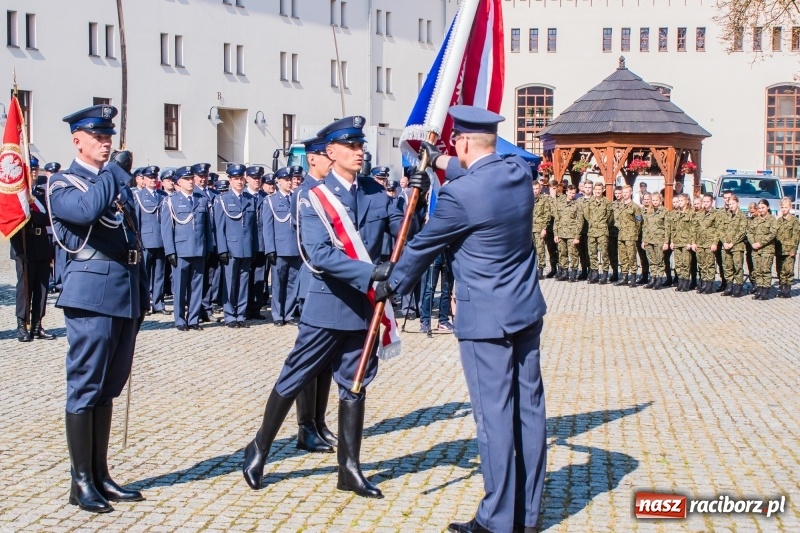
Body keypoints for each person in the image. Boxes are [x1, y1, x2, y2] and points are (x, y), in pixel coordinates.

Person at [375, 106, 547, 533]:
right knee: (529, 412)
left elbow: (421, 248)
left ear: (465, 143)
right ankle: (527, 513)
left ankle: (496, 521)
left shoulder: (461, 195)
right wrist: (435, 161)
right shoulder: (518, 176)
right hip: (525, 310)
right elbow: (477, 164)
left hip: (486, 320)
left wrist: (389, 287)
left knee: (493, 418)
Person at [242, 116, 423, 499]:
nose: (361, 152)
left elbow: (405, 233)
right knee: (294, 377)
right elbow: (320, 254)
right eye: (352, 147)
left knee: (355, 384)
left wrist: (414, 200)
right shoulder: (314, 197)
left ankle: (349, 468)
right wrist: (373, 272)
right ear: (331, 152)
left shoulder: (375, 192)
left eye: (361, 146)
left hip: (365, 307)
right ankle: (260, 446)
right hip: (329, 306)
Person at [48, 104, 147, 512]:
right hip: (91, 296)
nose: (106, 143)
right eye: (98, 137)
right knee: (86, 387)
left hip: (125, 293)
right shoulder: (62, 183)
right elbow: (87, 213)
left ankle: (101, 473)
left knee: (109, 387)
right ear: (78, 141)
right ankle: (81, 481)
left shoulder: (111, 183)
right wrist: (114, 173)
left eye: (109, 137)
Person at [161, 166, 213, 331]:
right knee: (180, 287)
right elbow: (167, 229)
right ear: (179, 182)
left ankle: (193, 318)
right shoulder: (171, 201)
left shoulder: (202, 200)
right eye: (187, 179)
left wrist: (209, 247)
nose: (191, 182)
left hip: (199, 249)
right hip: (181, 250)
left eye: (192, 179)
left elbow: (207, 228)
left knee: (197, 287)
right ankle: (180, 319)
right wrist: (170, 251)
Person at [11, 156, 56, 342]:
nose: (35, 173)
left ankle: (37, 324)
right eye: (31, 170)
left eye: (36, 170)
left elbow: (48, 219)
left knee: (42, 287)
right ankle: (22, 325)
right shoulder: (17, 196)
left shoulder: (40, 194)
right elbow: (14, 220)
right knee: (25, 287)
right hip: (24, 246)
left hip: (42, 245)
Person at [215, 164, 257, 328]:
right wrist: (222, 249)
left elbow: (253, 227)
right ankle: (230, 315)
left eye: (241, 178)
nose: (239, 182)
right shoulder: (223, 200)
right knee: (230, 282)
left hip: (246, 247)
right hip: (231, 248)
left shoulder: (249, 199)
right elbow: (220, 227)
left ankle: (241, 314)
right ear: (230, 180)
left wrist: (254, 248)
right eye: (236, 179)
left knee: (244, 283)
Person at [263, 167, 301, 326]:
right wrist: (270, 249)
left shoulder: (296, 198)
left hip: (295, 247)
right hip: (279, 249)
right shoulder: (270, 200)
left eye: (290, 179)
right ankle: (278, 315)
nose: (289, 182)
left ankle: (289, 313)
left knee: (293, 283)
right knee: (278, 283)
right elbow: (267, 227)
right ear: (278, 182)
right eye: (286, 180)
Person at [133, 165, 169, 315]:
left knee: (160, 273)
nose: (153, 180)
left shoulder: (164, 196)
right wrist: (138, 241)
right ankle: (145, 303)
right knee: (145, 274)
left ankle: (158, 303)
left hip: (162, 240)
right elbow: (136, 220)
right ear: (144, 179)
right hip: (146, 241)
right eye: (150, 177)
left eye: (155, 177)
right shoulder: (139, 196)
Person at [193, 163, 220, 322]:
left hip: (214, 242)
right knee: (198, 278)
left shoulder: (214, 195)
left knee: (211, 277)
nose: (203, 179)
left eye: (205, 176)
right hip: (199, 243)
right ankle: (198, 309)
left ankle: (207, 306)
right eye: (200, 176)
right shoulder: (193, 194)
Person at [244, 165, 268, 320]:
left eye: (259, 178)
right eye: (254, 178)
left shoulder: (265, 197)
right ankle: (244, 308)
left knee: (260, 278)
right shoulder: (243, 196)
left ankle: (256, 308)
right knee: (245, 278)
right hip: (246, 244)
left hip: (261, 244)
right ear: (247, 179)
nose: (257, 181)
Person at [583, 181, 613, 284]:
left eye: (599, 190)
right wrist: (593, 223)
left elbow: (610, 217)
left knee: (604, 253)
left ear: (603, 190)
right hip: (592, 231)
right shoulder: (589, 202)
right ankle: (594, 274)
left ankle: (604, 274)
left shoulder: (607, 202)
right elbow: (587, 215)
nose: (597, 192)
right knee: (592, 253)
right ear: (593, 190)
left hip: (602, 231)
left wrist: (602, 224)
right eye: (596, 190)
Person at [747, 199, 777, 300]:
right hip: (756, 249)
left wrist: (760, 243)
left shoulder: (772, 220)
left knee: (765, 270)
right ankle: (759, 289)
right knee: (757, 270)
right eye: (759, 208)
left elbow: (772, 234)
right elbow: (750, 232)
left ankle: (765, 290)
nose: (761, 210)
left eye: (763, 208)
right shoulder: (755, 220)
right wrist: (753, 243)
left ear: (767, 208)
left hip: (767, 249)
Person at [719, 194, 748, 297]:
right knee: (727, 267)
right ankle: (729, 286)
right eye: (729, 204)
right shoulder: (726, 215)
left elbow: (742, 231)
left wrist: (732, 243)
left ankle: (738, 287)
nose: (731, 206)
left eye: (733, 203)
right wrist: (725, 242)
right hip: (726, 246)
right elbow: (721, 229)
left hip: (737, 246)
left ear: (737, 203)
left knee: (738, 267)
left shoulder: (742, 216)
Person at [614, 184, 642, 287]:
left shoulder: (635, 207)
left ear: (631, 193)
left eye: (626, 192)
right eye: (623, 193)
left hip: (630, 235)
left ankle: (633, 277)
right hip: (621, 235)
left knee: (631, 257)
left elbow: (639, 221)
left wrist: (635, 232)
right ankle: (624, 277)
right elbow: (617, 219)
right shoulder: (620, 205)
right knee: (623, 257)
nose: (624, 195)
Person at [692, 193, 720, 294]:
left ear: (712, 202)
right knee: (702, 264)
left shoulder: (716, 214)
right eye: (704, 201)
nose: (706, 204)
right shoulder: (699, 214)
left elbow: (718, 230)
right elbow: (694, 229)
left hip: (709, 243)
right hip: (700, 243)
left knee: (710, 264)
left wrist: (715, 243)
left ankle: (709, 284)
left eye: (708, 202)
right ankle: (703, 282)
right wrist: (693, 242)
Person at [554, 184, 582, 282]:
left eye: (573, 193)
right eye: (570, 193)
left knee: (573, 254)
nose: (571, 195)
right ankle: (564, 273)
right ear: (566, 192)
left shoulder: (577, 205)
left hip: (572, 234)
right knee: (562, 253)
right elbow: (557, 219)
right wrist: (556, 234)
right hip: (561, 233)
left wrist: (577, 236)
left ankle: (573, 274)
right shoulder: (560, 204)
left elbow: (580, 221)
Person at [641, 192, 669, 289]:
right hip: (649, 239)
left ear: (661, 200)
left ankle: (659, 280)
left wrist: (666, 242)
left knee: (659, 260)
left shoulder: (665, 211)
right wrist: (644, 240)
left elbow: (667, 228)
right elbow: (645, 227)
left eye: (656, 200)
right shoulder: (649, 211)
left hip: (659, 240)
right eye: (653, 200)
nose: (655, 202)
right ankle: (652, 278)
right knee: (651, 260)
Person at [775, 197, 800, 298]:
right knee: (779, 269)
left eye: (786, 207)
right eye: (782, 207)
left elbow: (796, 236)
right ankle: (781, 287)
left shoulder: (794, 220)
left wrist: (794, 249)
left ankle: (787, 289)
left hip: (789, 249)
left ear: (790, 207)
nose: (784, 209)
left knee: (788, 269)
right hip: (779, 249)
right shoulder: (778, 220)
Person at [669, 194, 694, 292]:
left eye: (681, 200)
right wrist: (672, 241)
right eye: (678, 201)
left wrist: (690, 242)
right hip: (677, 242)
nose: (679, 203)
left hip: (685, 242)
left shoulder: (691, 213)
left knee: (686, 263)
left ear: (687, 201)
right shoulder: (676, 213)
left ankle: (686, 282)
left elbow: (693, 229)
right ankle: (680, 281)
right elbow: (673, 229)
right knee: (678, 264)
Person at [531, 180, 552, 280]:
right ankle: (532, 270)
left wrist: (544, 228)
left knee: (540, 250)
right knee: (531, 250)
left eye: (537, 189)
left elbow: (547, 215)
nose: (535, 191)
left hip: (539, 228)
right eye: (533, 189)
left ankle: (541, 270)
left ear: (540, 189)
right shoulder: (527, 200)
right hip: (529, 229)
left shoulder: (544, 200)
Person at [608, 186, 623, 282]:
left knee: (623, 255)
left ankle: (624, 273)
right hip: (612, 233)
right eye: (616, 193)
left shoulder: (625, 205)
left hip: (623, 233)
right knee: (612, 254)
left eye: (619, 193)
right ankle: (615, 272)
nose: (617, 195)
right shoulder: (612, 205)